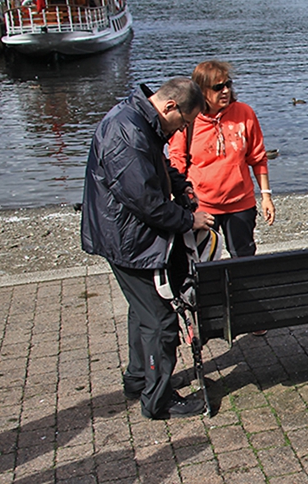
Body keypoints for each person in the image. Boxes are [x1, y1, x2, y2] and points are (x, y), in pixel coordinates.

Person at [81, 77, 213, 419]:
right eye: (182, 123)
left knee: (141, 310)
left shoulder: (140, 121)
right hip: (129, 240)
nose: (180, 132)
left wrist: (181, 183)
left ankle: (139, 378)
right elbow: (147, 202)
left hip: (124, 236)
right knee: (160, 321)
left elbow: (156, 165)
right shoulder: (127, 132)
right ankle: (158, 401)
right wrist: (189, 221)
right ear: (170, 106)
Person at [169, 60, 275, 261]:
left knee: (243, 259)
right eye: (218, 87)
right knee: (202, 261)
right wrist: (173, 201)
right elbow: (177, 162)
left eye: (228, 84)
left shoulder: (244, 113)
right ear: (201, 91)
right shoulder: (188, 119)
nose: (225, 91)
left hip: (240, 204)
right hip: (202, 206)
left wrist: (266, 196)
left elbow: (258, 157)